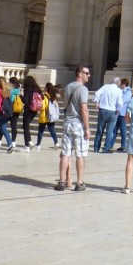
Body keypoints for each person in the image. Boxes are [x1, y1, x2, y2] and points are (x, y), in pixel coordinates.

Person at [56, 63, 91, 191]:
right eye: (87, 73)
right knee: (80, 154)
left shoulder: (68, 87)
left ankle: (61, 182)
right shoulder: (83, 89)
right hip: (78, 123)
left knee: (65, 153)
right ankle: (79, 182)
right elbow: (84, 109)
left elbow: (61, 94)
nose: (89, 75)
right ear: (80, 74)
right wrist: (87, 128)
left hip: (67, 122)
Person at [93, 76, 123, 153]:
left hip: (103, 109)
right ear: (118, 83)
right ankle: (106, 148)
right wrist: (118, 110)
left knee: (100, 130)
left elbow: (97, 93)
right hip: (113, 111)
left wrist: (97, 103)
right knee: (110, 132)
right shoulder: (119, 91)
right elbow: (120, 103)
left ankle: (96, 148)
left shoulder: (105, 87)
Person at [20, 75, 43, 152]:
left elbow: (25, 101)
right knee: (26, 126)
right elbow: (42, 97)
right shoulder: (37, 89)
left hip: (28, 109)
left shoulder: (27, 89)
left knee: (25, 126)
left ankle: (27, 146)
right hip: (35, 110)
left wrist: (20, 96)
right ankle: (29, 141)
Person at [36, 82, 60, 148]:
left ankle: (38, 144)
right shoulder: (53, 97)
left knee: (41, 130)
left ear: (46, 88)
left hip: (44, 116)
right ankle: (56, 143)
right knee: (52, 129)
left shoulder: (44, 96)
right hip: (51, 116)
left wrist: (39, 107)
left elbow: (43, 107)